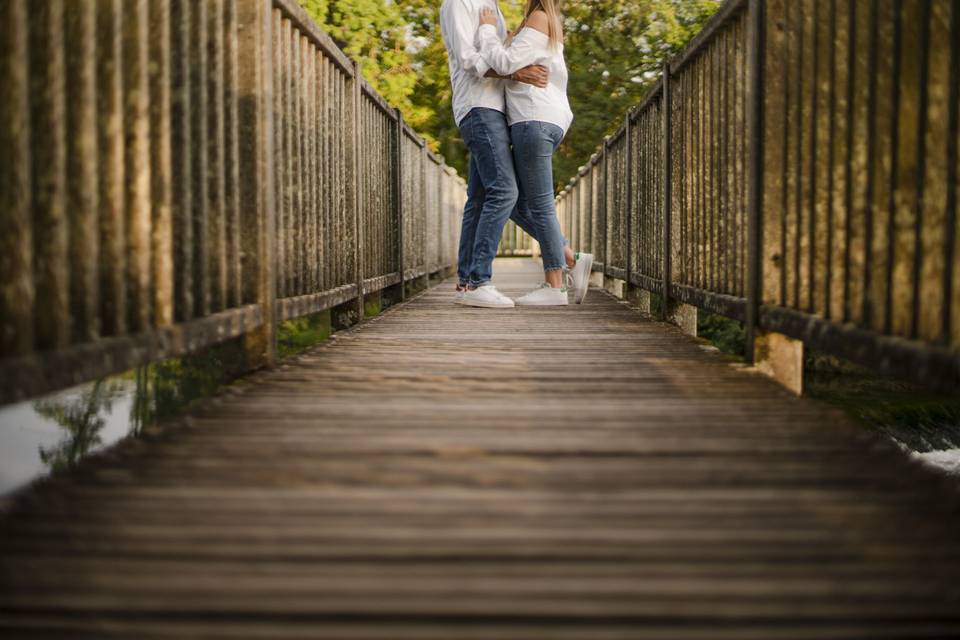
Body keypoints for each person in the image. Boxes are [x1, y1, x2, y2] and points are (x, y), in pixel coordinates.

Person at [440, 0, 592, 309]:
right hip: (479, 107)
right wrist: (515, 74)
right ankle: (477, 281)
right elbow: (470, 59)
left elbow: (504, 54)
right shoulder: (460, 3)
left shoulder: (493, 7)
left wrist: (507, 50)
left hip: (500, 111)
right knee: (506, 193)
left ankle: (470, 282)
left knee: (484, 197)